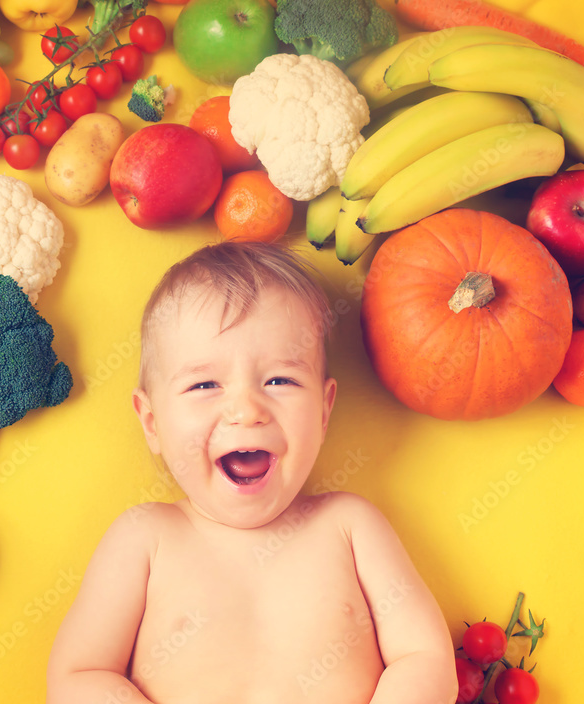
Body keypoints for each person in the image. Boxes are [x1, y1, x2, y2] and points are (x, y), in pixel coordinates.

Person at [47, 241, 457, 704]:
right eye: (204, 384)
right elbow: (78, 676)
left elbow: (423, 656)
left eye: (280, 380)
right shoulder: (145, 537)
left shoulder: (350, 526)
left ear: (323, 411)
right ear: (152, 423)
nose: (246, 410)